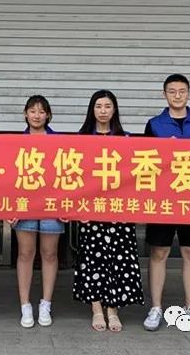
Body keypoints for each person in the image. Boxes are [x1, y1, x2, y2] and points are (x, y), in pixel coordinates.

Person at [142, 73, 190, 333]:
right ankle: (156, 307)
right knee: (159, 252)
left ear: (189, 94)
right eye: (172, 91)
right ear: (164, 94)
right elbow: (144, 162)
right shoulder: (154, 125)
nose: (177, 95)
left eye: (182, 91)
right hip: (162, 199)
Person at [72, 89, 144, 333]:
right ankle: (96, 309)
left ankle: (113, 310)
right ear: (92, 110)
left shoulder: (126, 139)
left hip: (119, 211)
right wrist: (78, 208)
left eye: (107, 106)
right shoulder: (81, 139)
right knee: (93, 259)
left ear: (114, 110)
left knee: (117, 259)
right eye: (98, 106)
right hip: (91, 210)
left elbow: (134, 178)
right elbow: (74, 176)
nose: (103, 111)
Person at [7, 95, 64, 328]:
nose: (37, 115)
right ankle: (25, 305)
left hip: (52, 204)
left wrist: (67, 205)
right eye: (32, 111)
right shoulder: (16, 143)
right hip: (24, 204)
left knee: (49, 254)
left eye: (41, 111)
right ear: (25, 114)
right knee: (25, 253)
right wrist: (9, 206)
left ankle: (45, 304)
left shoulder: (58, 141)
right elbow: (8, 177)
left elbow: (67, 175)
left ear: (48, 115)